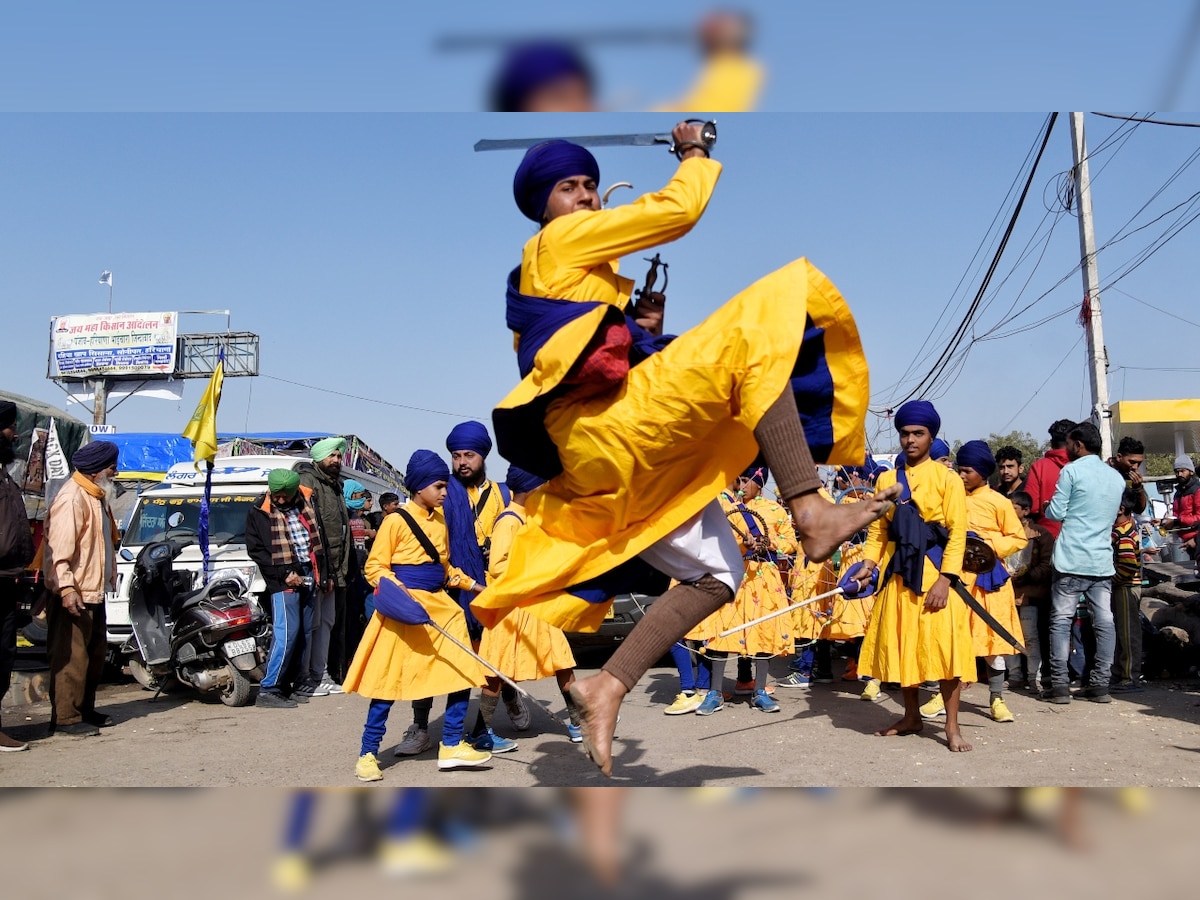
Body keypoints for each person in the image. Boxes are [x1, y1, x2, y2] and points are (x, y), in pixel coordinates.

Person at [472, 124, 898, 776]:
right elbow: (677, 211)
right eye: (569, 187)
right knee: (764, 321)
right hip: (612, 428)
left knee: (718, 573)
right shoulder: (559, 240)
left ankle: (605, 687)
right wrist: (693, 153)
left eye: (590, 185)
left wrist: (639, 329)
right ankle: (809, 508)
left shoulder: (558, 277)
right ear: (542, 203)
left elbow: (583, 355)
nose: (586, 196)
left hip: (607, 451)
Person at [344, 450, 491, 779]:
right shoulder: (395, 520)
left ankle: (451, 743)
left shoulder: (440, 520)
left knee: (463, 670)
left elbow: (445, 568)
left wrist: (474, 586)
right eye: (439, 486)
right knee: (387, 684)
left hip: (441, 608)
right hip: (403, 611)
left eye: (445, 486)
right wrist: (403, 596)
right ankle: (368, 754)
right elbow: (375, 567)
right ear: (421, 486)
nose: (444, 492)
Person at [853, 400, 975, 752]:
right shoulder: (887, 478)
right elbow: (878, 531)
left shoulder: (948, 479)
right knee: (903, 644)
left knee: (946, 651)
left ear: (931, 436)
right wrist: (868, 565)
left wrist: (945, 579)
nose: (910, 440)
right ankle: (911, 716)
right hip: (899, 574)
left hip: (937, 573)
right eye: (905, 433)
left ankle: (952, 727)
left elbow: (957, 532)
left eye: (918, 434)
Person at [472, 465, 582, 746]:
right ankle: (482, 732)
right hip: (512, 609)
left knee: (562, 661)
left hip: (536, 605)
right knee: (497, 670)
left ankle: (580, 722)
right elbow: (497, 566)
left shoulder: (530, 518)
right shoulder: (508, 521)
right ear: (531, 489)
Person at [920, 441, 1025, 724]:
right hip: (955, 578)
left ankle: (997, 699)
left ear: (981, 472)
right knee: (952, 638)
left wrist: (988, 544)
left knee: (991, 642)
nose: (962, 475)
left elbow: (1018, 538)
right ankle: (942, 697)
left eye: (967, 471)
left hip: (990, 580)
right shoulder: (949, 496)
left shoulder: (1000, 502)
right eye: (959, 470)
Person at [691, 464, 796, 715]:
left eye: (748, 479)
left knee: (762, 632)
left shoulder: (774, 509)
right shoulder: (725, 505)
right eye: (740, 478)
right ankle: (715, 693)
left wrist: (767, 542)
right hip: (734, 575)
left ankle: (759, 691)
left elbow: (790, 543)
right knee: (722, 631)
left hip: (764, 578)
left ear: (760, 483)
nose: (742, 483)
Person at [1041, 421, 1125, 704]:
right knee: (1104, 621)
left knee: (1061, 621)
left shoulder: (1071, 471)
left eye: (1069, 445)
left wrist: (1048, 507)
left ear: (1078, 445)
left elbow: (1055, 512)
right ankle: (1101, 685)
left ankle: (1061, 686)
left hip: (1070, 559)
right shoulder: (1116, 478)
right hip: (1101, 561)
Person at [43, 440, 121, 737]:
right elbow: (58, 551)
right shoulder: (72, 498)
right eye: (112, 467)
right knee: (70, 658)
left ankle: (84, 710)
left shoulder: (95, 497)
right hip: (73, 592)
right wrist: (66, 589)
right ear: (97, 470)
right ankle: (66, 717)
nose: (115, 472)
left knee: (93, 655)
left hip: (93, 590)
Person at [245, 469, 324, 709]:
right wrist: (285, 574)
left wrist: (323, 574)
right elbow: (257, 550)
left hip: (309, 573)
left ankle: (295, 684)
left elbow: (318, 542)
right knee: (287, 634)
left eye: (285, 496)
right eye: (276, 496)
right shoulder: (259, 510)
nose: (280, 500)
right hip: (282, 579)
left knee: (305, 633)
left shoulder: (307, 503)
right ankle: (269, 688)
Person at [296, 437, 352, 695]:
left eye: (339, 456)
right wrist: (322, 570)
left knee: (327, 621)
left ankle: (323, 673)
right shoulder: (308, 482)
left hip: (336, 570)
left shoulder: (336, 486)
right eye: (332, 456)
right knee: (314, 623)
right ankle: (308, 678)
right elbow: (311, 528)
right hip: (317, 567)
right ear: (319, 458)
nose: (336, 460)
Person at [1, 400, 35, 751]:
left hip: (7, 579)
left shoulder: (4, 474)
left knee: (4, 653)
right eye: (9, 428)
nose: (14, 434)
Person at [1008, 491, 1054, 693]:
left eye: (1014, 507)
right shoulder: (1005, 532)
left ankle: (1033, 675)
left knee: (1030, 637)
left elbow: (1047, 564)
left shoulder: (1041, 535)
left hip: (1030, 595)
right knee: (1009, 636)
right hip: (1009, 593)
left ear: (1025, 510)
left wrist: (1027, 576)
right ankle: (1015, 675)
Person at [1110, 489, 1145, 693]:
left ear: (1120, 508)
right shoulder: (1121, 530)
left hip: (1126, 587)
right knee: (1121, 632)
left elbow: (1128, 566)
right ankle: (1120, 673)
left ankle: (1130, 675)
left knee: (1128, 633)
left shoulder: (1124, 533)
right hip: (1123, 585)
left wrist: (1113, 580)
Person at [1025, 419, 1075, 540]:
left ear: (1052, 443)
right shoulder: (1083, 467)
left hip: (1047, 537)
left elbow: (1032, 505)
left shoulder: (1040, 466)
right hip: (1080, 539)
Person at [1162, 455, 1200, 560]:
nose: (1179, 474)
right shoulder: (1178, 493)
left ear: (1191, 472)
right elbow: (1176, 516)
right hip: (1181, 540)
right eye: (1177, 472)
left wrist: (1177, 522)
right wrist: (1163, 522)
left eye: (1183, 471)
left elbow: (1198, 517)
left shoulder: (1197, 491)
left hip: (1195, 541)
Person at [1107, 437, 1148, 516]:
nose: (1135, 467)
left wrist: (1138, 488)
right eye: (1132, 462)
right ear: (1119, 457)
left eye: (1139, 463)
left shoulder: (1130, 476)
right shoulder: (1104, 472)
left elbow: (1139, 509)